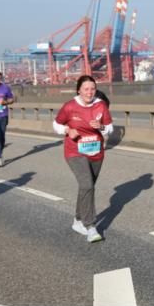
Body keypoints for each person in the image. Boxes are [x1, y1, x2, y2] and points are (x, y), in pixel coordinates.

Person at [53, 76, 114, 243]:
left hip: (96, 151)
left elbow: (109, 128)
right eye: (86, 89)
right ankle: (90, 226)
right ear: (79, 90)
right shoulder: (70, 106)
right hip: (75, 152)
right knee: (87, 184)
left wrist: (100, 127)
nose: (90, 92)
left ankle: (77, 220)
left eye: (92, 89)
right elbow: (56, 124)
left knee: (87, 187)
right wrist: (67, 129)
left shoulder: (100, 104)